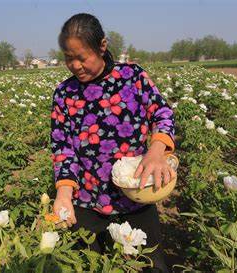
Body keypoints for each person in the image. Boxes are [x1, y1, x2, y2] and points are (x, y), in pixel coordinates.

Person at [50, 13, 176, 273]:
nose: (74, 65)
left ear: (102, 46)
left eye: (81, 57)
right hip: (86, 200)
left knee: (153, 266)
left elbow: (162, 113)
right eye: (68, 58)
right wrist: (63, 193)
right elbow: (63, 147)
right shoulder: (65, 93)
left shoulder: (132, 77)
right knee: (89, 266)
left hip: (135, 194)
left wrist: (155, 151)